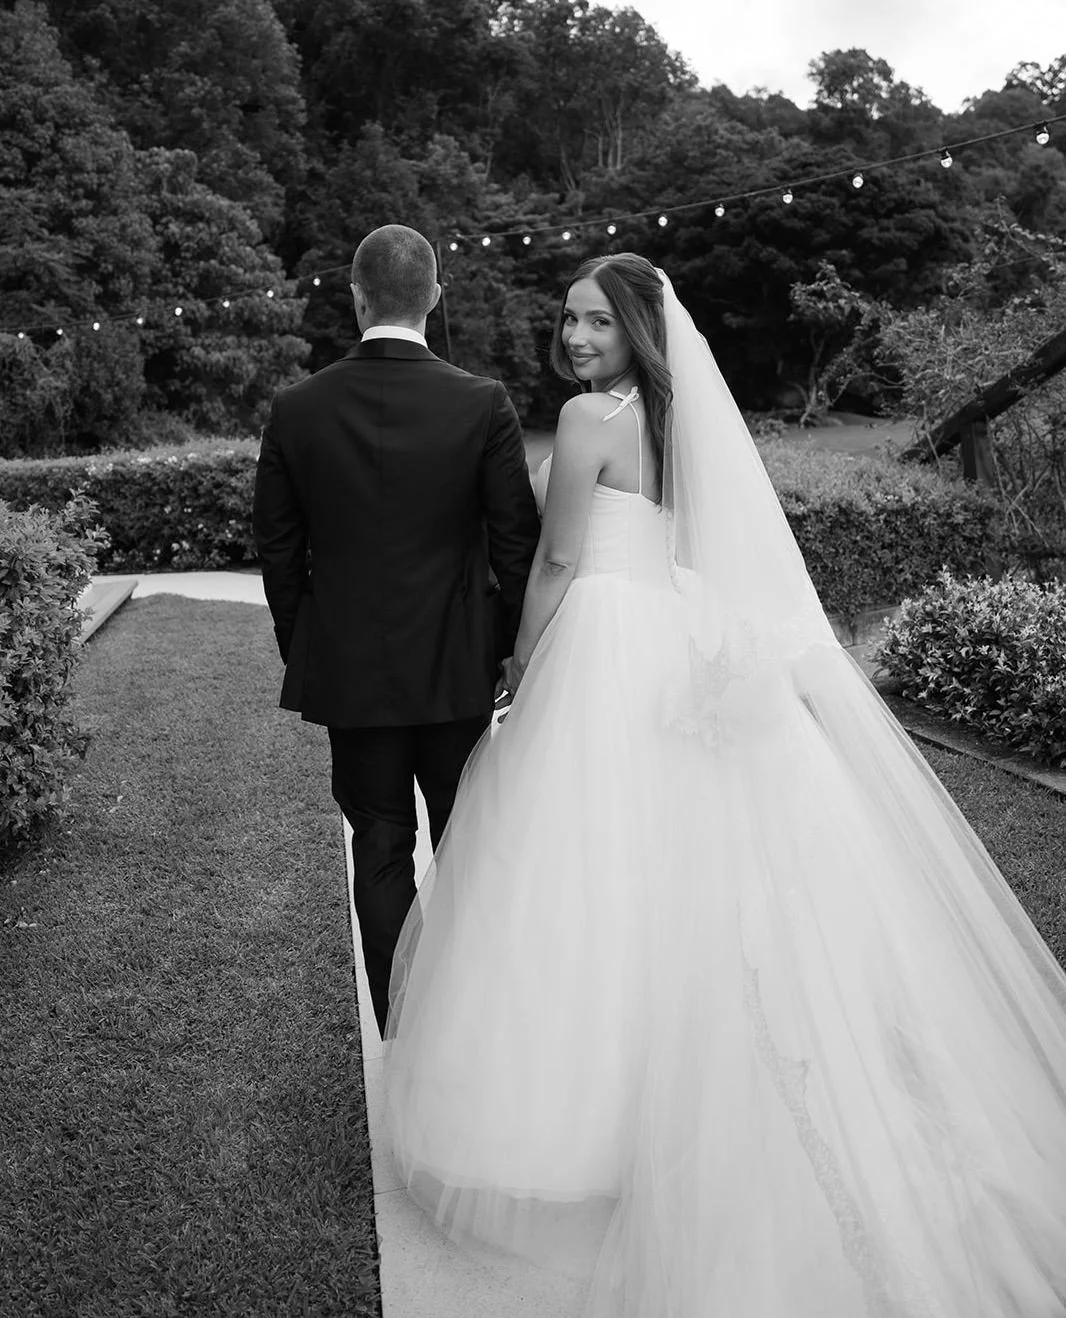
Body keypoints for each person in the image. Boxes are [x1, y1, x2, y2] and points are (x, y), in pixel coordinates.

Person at [383, 252, 1066, 1316]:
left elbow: (557, 565)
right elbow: (710, 553)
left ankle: (578, 1135)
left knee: (585, 880)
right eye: (567, 321)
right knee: (677, 874)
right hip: (672, 638)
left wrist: (518, 667)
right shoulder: (690, 426)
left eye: (596, 325)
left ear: (638, 333)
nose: (574, 340)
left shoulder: (587, 424)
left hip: (603, 646)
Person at [252, 224, 541, 1037]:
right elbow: (515, 542)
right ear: (435, 294)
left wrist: (308, 644)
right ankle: (482, 1027)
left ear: (355, 295)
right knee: (472, 848)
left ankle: (406, 1033)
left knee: (379, 847)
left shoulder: (298, 407)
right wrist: (512, 651)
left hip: (356, 675)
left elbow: (279, 547)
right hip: (458, 673)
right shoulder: (482, 402)